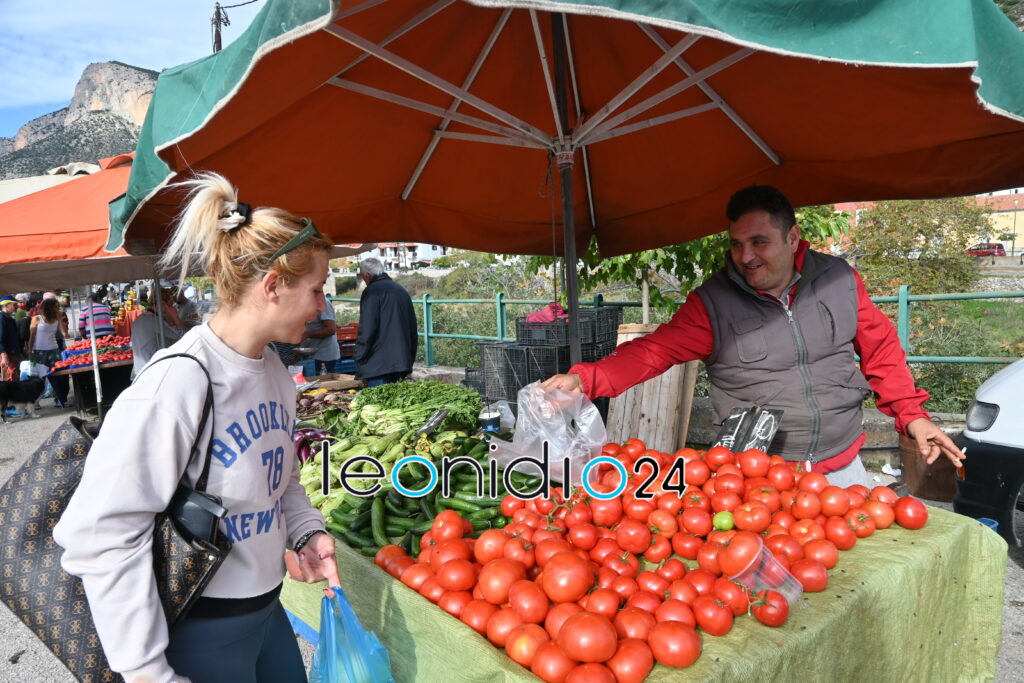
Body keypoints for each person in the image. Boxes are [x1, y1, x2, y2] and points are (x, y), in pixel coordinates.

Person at [54, 172, 341, 683]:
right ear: (273, 286)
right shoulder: (178, 381)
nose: (323, 306)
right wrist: (145, 670)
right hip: (199, 633)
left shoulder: (275, 372)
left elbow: (282, 481)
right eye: (317, 289)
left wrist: (306, 532)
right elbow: (101, 532)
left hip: (267, 614)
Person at [543, 185, 964, 487]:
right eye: (736, 244)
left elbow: (881, 350)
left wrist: (913, 416)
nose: (746, 256)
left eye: (759, 242)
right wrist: (586, 379)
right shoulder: (712, 304)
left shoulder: (839, 280)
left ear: (792, 237)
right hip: (759, 477)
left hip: (844, 466)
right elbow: (654, 352)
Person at [354, 257, 417, 386]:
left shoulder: (371, 292)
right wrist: (409, 359)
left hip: (377, 365)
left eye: (362, 276)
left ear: (367, 275)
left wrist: (359, 356)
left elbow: (367, 329)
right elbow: (412, 328)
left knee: (377, 398)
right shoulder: (401, 290)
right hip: (400, 362)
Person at [130, 290, 188, 375]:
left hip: (140, 369)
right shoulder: (154, 320)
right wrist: (175, 316)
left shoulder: (141, 318)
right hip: (152, 370)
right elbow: (184, 337)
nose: (173, 308)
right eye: (171, 305)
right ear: (163, 304)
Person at [27, 297, 70, 407]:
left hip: (54, 350)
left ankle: (60, 400)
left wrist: (60, 320)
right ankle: (34, 402)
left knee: (59, 376)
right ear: (49, 307)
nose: (58, 309)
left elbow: (65, 334)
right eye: (56, 307)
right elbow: (32, 337)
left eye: (58, 307)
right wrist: (30, 351)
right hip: (39, 351)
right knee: (39, 378)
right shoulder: (36, 318)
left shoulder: (56, 319)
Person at [303, 291, 340, 375]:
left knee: (323, 381)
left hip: (324, 355)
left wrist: (307, 335)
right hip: (310, 353)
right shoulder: (305, 303)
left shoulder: (323, 303)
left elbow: (330, 329)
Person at [0, 294, 23, 383]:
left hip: (14, 354)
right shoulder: (1, 318)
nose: (17, 307)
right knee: (9, 382)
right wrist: (4, 356)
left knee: (15, 381)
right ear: (6, 305)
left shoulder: (9, 318)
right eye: (14, 304)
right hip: (8, 355)